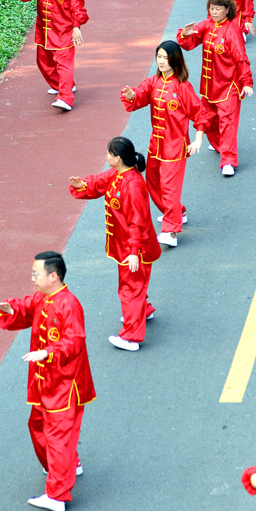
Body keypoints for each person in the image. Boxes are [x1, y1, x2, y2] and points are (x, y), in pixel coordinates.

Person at [0, 250, 95, 511]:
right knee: (37, 425)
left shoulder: (69, 304)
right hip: (44, 381)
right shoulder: (43, 297)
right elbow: (26, 308)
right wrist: (11, 308)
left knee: (58, 436)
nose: (32, 278)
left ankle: (57, 495)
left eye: (36, 273)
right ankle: (64, 466)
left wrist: (47, 352)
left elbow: (74, 341)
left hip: (65, 384)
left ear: (53, 276)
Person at [69, 137, 160, 352]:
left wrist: (134, 252)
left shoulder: (133, 185)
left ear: (117, 158)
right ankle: (142, 311)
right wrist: (82, 184)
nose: (107, 156)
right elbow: (100, 182)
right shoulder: (119, 173)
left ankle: (131, 337)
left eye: (109, 153)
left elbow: (138, 221)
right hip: (124, 245)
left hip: (135, 248)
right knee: (134, 285)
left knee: (130, 288)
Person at [121, 41, 207, 245]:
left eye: (165, 57)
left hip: (175, 147)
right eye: (158, 56)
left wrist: (197, 139)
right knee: (153, 182)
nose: (161, 61)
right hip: (156, 145)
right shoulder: (153, 81)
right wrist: (133, 95)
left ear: (174, 60)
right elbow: (140, 95)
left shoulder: (183, 87)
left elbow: (200, 113)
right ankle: (177, 212)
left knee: (169, 187)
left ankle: (171, 231)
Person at [177, 0, 253, 176]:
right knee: (209, 119)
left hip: (228, 86)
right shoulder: (207, 26)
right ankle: (219, 144)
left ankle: (228, 160)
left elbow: (241, 58)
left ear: (227, 10)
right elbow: (188, 43)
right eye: (211, 8)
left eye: (218, 8)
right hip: (210, 86)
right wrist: (184, 34)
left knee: (227, 122)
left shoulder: (231, 30)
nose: (214, 12)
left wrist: (246, 81)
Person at [17, 0, 88, 112]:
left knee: (64, 64)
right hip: (44, 30)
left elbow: (77, 5)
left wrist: (76, 26)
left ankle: (65, 98)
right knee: (44, 61)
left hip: (64, 30)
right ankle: (62, 85)